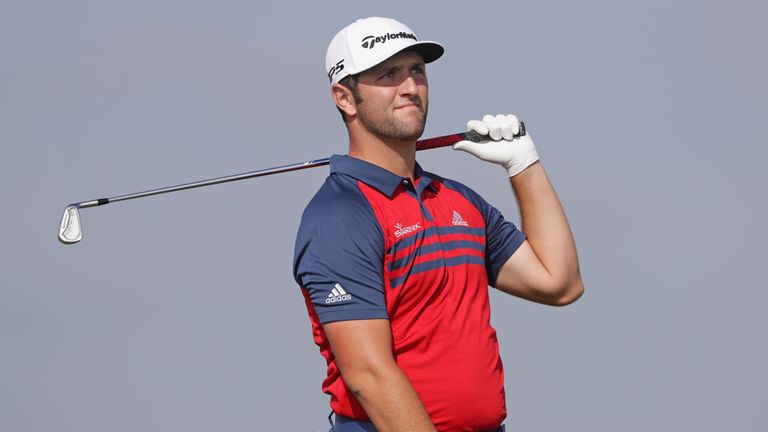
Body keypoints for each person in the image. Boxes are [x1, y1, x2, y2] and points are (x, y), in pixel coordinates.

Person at [293, 17, 584, 432]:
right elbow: (368, 376)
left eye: (417, 71)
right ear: (345, 97)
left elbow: (560, 283)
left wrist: (524, 165)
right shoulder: (340, 215)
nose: (410, 87)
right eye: (388, 75)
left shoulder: (458, 200)